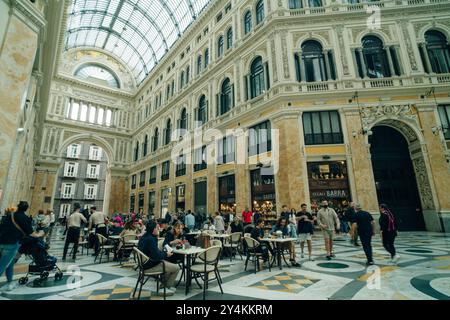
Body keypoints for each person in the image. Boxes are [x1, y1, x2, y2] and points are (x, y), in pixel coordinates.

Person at [0, 202, 40, 292]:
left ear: (18, 207)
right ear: (26, 209)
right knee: (2, 266)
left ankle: (9, 283)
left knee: (10, 264)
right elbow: (31, 233)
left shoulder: (9, 215)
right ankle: (9, 283)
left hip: (1, 241)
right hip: (12, 243)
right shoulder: (25, 218)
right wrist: (39, 234)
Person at [138, 221, 180, 293]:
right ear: (153, 229)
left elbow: (155, 253)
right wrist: (166, 254)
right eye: (157, 228)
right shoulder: (151, 239)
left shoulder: (145, 237)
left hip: (145, 263)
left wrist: (163, 254)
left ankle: (163, 286)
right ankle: (166, 287)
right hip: (150, 265)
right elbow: (156, 257)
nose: (159, 229)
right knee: (176, 268)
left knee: (168, 265)